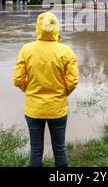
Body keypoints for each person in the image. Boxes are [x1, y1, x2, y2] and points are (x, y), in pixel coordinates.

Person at [12, 12, 79, 167]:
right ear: (56, 28)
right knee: (60, 150)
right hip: (57, 109)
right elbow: (73, 81)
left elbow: (17, 79)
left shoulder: (26, 49)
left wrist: (28, 90)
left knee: (35, 151)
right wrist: (63, 93)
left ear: (38, 27)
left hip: (33, 109)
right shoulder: (65, 51)